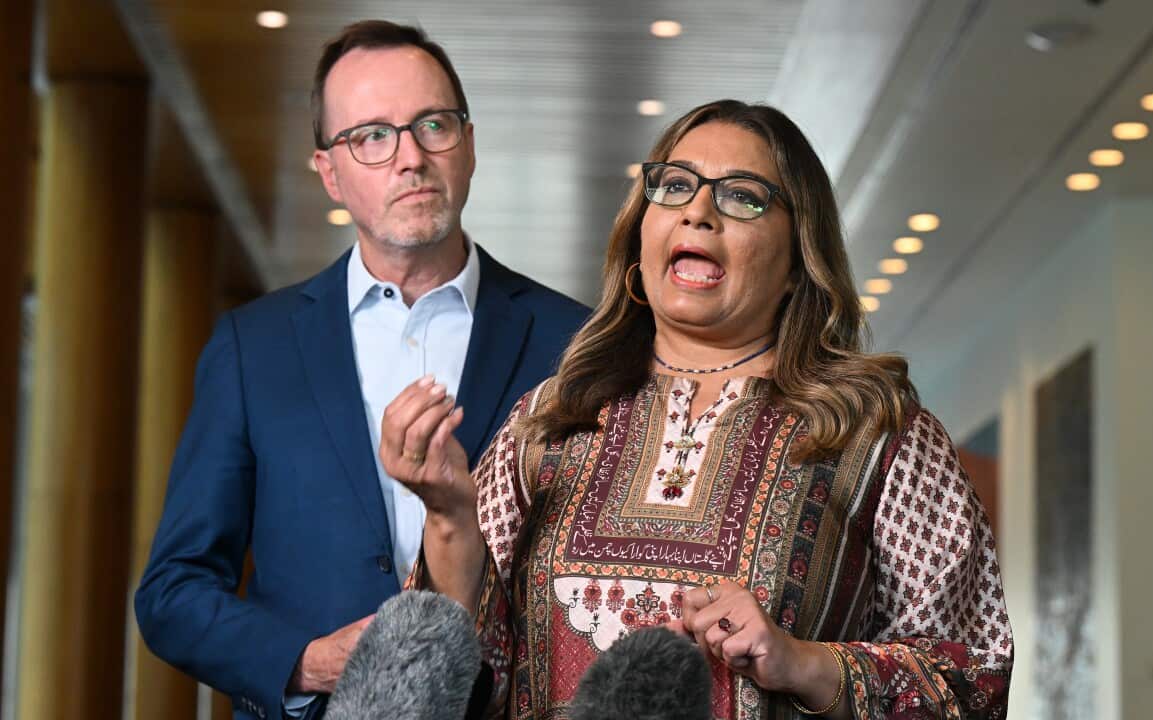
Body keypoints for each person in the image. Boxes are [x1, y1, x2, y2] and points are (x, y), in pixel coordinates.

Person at [383, 99, 1014, 719]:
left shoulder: (878, 434)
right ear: (641, 233)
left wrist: (801, 662)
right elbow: (454, 680)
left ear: (799, 258)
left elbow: (972, 681)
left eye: (742, 195)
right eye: (676, 186)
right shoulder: (549, 421)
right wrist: (448, 518)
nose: (699, 212)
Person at [134, 20, 588, 720]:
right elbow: (173, 592)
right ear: (329, 173)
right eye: (372, 136)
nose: (410, 157)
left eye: (432, 125)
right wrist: (309, 662)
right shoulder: (254, 348)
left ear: (468, 144)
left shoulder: (575, 341)